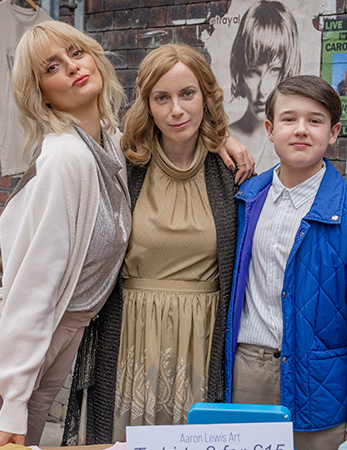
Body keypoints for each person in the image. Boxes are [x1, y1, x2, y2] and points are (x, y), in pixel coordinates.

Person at [0, 20, 131, 449]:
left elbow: (169, 128)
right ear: (40, 91)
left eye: (76, 53)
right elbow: (34, 288)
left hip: (46, 346)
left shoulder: (107, 144)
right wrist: (14, 398)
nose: (73, 67)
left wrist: (221, 138)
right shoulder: (66, 159)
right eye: (53, 67)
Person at [63, 43, 239, 444]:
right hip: (130, 337)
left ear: (205, 97)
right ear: (148, 105)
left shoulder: (231, 173)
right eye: (162, 98)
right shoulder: (124, 164)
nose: (176, 110)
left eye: (187, 94)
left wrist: (226, 139)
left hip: (200, 339)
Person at [225, 75, 347, 450]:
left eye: (315, 120)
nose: (301, 130)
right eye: (288, 119)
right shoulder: (244, 199)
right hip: (245, 376)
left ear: (333, 132)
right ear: (270, 129)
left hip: (318, 387)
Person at [228, 0, 300, 173]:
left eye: (274, 70)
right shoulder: (221, 139)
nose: (263, 89)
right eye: (253, 72)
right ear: (241, 72)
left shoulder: (299, 140)